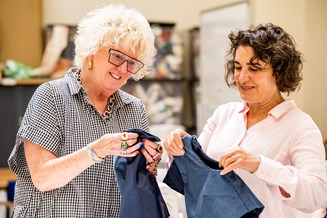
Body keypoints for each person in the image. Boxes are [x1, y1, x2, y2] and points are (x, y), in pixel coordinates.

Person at [8, 4, 162, 218]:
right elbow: (43, 178)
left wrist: (150, 164)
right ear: (91, 50)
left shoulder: (134, 109)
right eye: (117, 57)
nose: (124, 69)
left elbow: (137, 183)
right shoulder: (51, 96)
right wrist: (98, 149)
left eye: (132, 63)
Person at [163, 23, 327, 217]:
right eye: (238, 67)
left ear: (280, 72)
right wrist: (177, 147)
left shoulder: (300, 126)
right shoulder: (223, 114)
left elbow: (318, 194)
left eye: (254, 68)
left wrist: (260, 165)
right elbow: (193, 175)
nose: (241, 78)